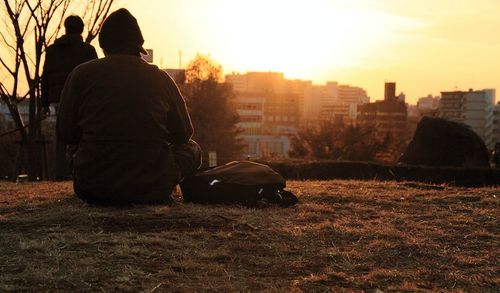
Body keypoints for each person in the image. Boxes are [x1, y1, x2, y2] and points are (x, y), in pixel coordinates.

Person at [57, 8, 201, 205]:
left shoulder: (80, 75)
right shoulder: (160, 78)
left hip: (92, 187)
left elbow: (66, 133)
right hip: (153, 186)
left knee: (73, 147)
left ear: (104, 47)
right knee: (192, 149)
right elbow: (183, 135)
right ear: (138, 48)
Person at [41, 15, 98, 180]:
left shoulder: (52, 50)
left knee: (62, 134)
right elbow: (96, 77)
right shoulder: (87, 50)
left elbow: (45, 77)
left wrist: (44, 103)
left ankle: (60, 172)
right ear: (81, 30)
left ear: (65, 28)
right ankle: (80, 170)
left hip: (58, 98)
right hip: (83, 98)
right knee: (82, 134)